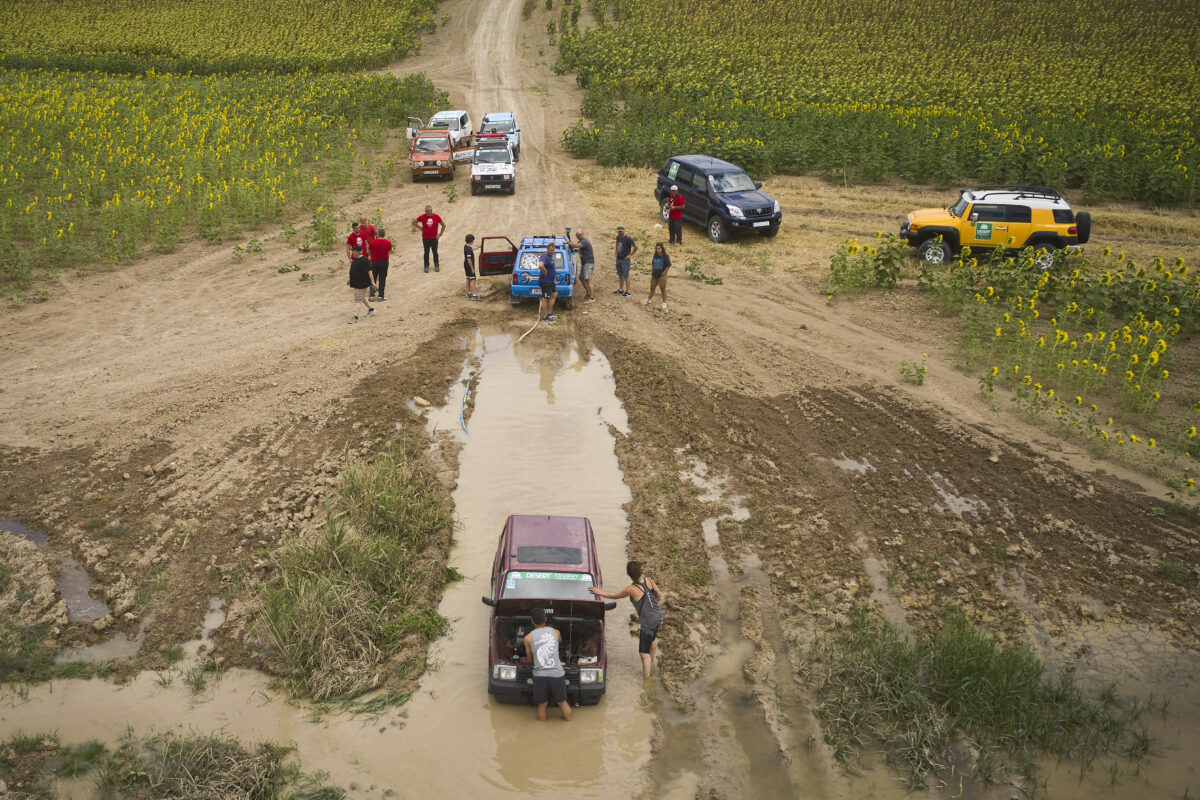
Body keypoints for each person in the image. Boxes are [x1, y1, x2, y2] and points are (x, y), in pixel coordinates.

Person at [589, 561, 663, 679]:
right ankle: (651, 665)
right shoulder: (649, 580)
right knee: (652, 642)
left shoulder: (631, 589)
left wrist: (599, 592)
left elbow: (614, 596)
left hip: (648, 622)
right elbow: (659, 595)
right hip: (658, 615)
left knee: (644, 653)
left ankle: (647, 680)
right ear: (641, 571)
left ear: (629, 575)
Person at [523, 607, 573, 722]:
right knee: (562, 702)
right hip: (557, 674)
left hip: (540, 676)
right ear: (545, 619)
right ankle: (570, 724)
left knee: (542, 704)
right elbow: (559, 643)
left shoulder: (527, 638)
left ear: (532, 621)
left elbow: (530, 659)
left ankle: (540, 730)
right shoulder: (556, 632)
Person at [345, 245, 377, 324]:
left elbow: (370, 272)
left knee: (357, 300)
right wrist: (350, 279)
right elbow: (354, 270)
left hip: (361, 283)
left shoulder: (365, 260)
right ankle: (371, 310)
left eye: (353, 251)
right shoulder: (355, 260)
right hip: (356, 282)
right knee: (361, 298)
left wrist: (373, 282)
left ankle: (355, 317)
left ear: (358, 252)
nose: (352, 252)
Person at [412, 205, 445, 272]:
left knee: (435, 252)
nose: (426, 213)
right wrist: (420, 228)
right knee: (426, 252)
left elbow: (444, 225)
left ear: (431, 211)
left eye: (427, 211)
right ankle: (426, 266)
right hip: (425, 238)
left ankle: (436, 265)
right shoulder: (423, 216)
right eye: (425, 211)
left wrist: (440, 234)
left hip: (434, 238)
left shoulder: (436, 216)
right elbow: (414, 222)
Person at [567, 229, 595, 302]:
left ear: (583, 234)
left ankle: (592, 298)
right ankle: (588, 293)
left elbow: (577, 245)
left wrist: (568, 242)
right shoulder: (581, 241)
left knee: (588, 279)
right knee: (581, 278)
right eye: (577, 235)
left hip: (588, 263)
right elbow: (576, 247)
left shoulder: (584, 241)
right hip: (584, 263)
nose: (578, 236)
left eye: (579, 234)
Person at [643, 242, 671, 311]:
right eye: (656, 248)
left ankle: (664, 303)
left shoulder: (665, 256)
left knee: (662, 289)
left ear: (662, 249)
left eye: (659, 248)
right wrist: (652, 269)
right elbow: (653, 263)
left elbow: (668, 265)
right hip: (654, 274)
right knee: (652, 288)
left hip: (662, 276)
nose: (658, 250)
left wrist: (664, 272)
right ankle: (649, 299)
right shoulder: (655, 255)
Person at [367, 227, 392, 301]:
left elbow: (369, 251)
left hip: (374, 262)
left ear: (377, 234)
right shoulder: (388, 242)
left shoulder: (373, 242)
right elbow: (389, 250)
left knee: (373, 278)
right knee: (382, 279)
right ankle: (381, 296)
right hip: (384, 262)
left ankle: (371, 295)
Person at [614, 224, 637, 297]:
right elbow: (617, 245)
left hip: (625, 260)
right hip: (619, 259)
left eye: (621, 231)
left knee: (626, 275)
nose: (620, 232)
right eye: (619, 231)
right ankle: (621, 289)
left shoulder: (628, 239)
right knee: (620, 275)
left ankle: (628, 291)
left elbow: (636, 247)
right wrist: (616, 252)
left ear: (624, 231)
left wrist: (630, 255)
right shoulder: (618, 237)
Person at [538, 242, 559, 322]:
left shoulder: (550, 256)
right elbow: (540, 265)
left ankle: (550, 313)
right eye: (550, 250)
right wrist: (545, 271)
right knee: (545, 298)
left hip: (550, 281)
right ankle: (544, 317)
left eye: (553, 250)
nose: (552, 252)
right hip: (545, 281)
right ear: (547, 249)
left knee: (554, 294)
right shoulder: (544, 256)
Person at [464, 234, 480, 301]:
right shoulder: (469, 249)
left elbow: (472, 248)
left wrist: (478, 247)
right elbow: (469, 259)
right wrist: (472, 268)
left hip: (466, 265)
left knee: (468, 278)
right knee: (473, 280)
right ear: (471, 241)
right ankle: (474, 295)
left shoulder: (466, 246)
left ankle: (468, 293)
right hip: (469, 266)